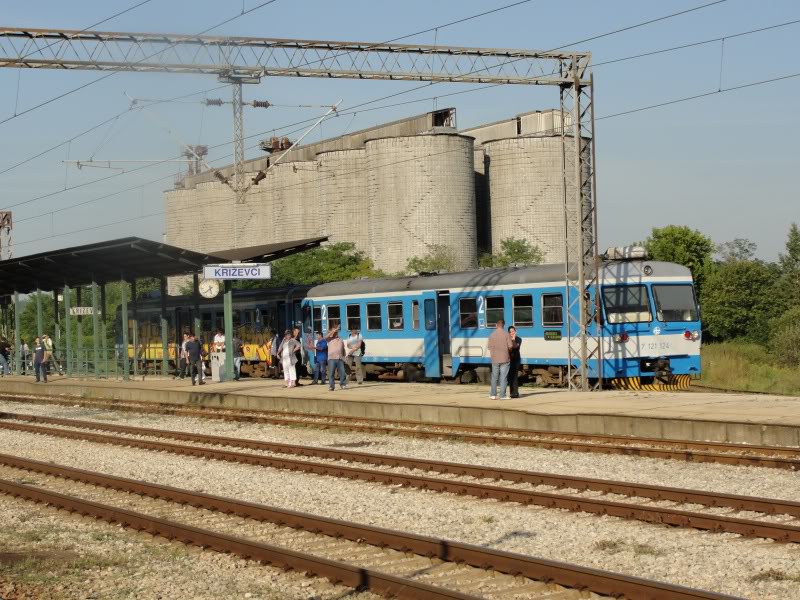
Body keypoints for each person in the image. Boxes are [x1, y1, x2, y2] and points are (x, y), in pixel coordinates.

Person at [487, 319, 513, 400]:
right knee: (503, 377)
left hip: (495, 359)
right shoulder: (506, 334)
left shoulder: (491, 335)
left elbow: (489, 347)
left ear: (496, 325)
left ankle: (493, 395)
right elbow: (511, 346)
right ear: (503, 325)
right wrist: (508, 351)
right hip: (505, 359)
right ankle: (502, 395)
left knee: (494, 377)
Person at [326, 327, 347, 391]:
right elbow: (325, 337)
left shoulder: (340, 339)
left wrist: (345, 356)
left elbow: (343, 348)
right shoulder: (329, 339)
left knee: (342, 373)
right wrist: (332, 331)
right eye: (334, 332)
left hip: (340, 358)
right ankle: (331, 386)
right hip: (332, 358)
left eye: (336, 331)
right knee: (331, 373)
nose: (335, 332)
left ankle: (343, 384)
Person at [508, 326, 523, 398]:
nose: (512, 333)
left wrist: (513, 340)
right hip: (509, 359)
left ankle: (516, 393)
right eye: (510, 332)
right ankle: (511, 392)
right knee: (510, 377)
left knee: (515, 376)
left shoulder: (519, 339)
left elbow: (515, 347)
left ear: (515, 331)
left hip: (516, 360)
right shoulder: (507, 339)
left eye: (513, 331)